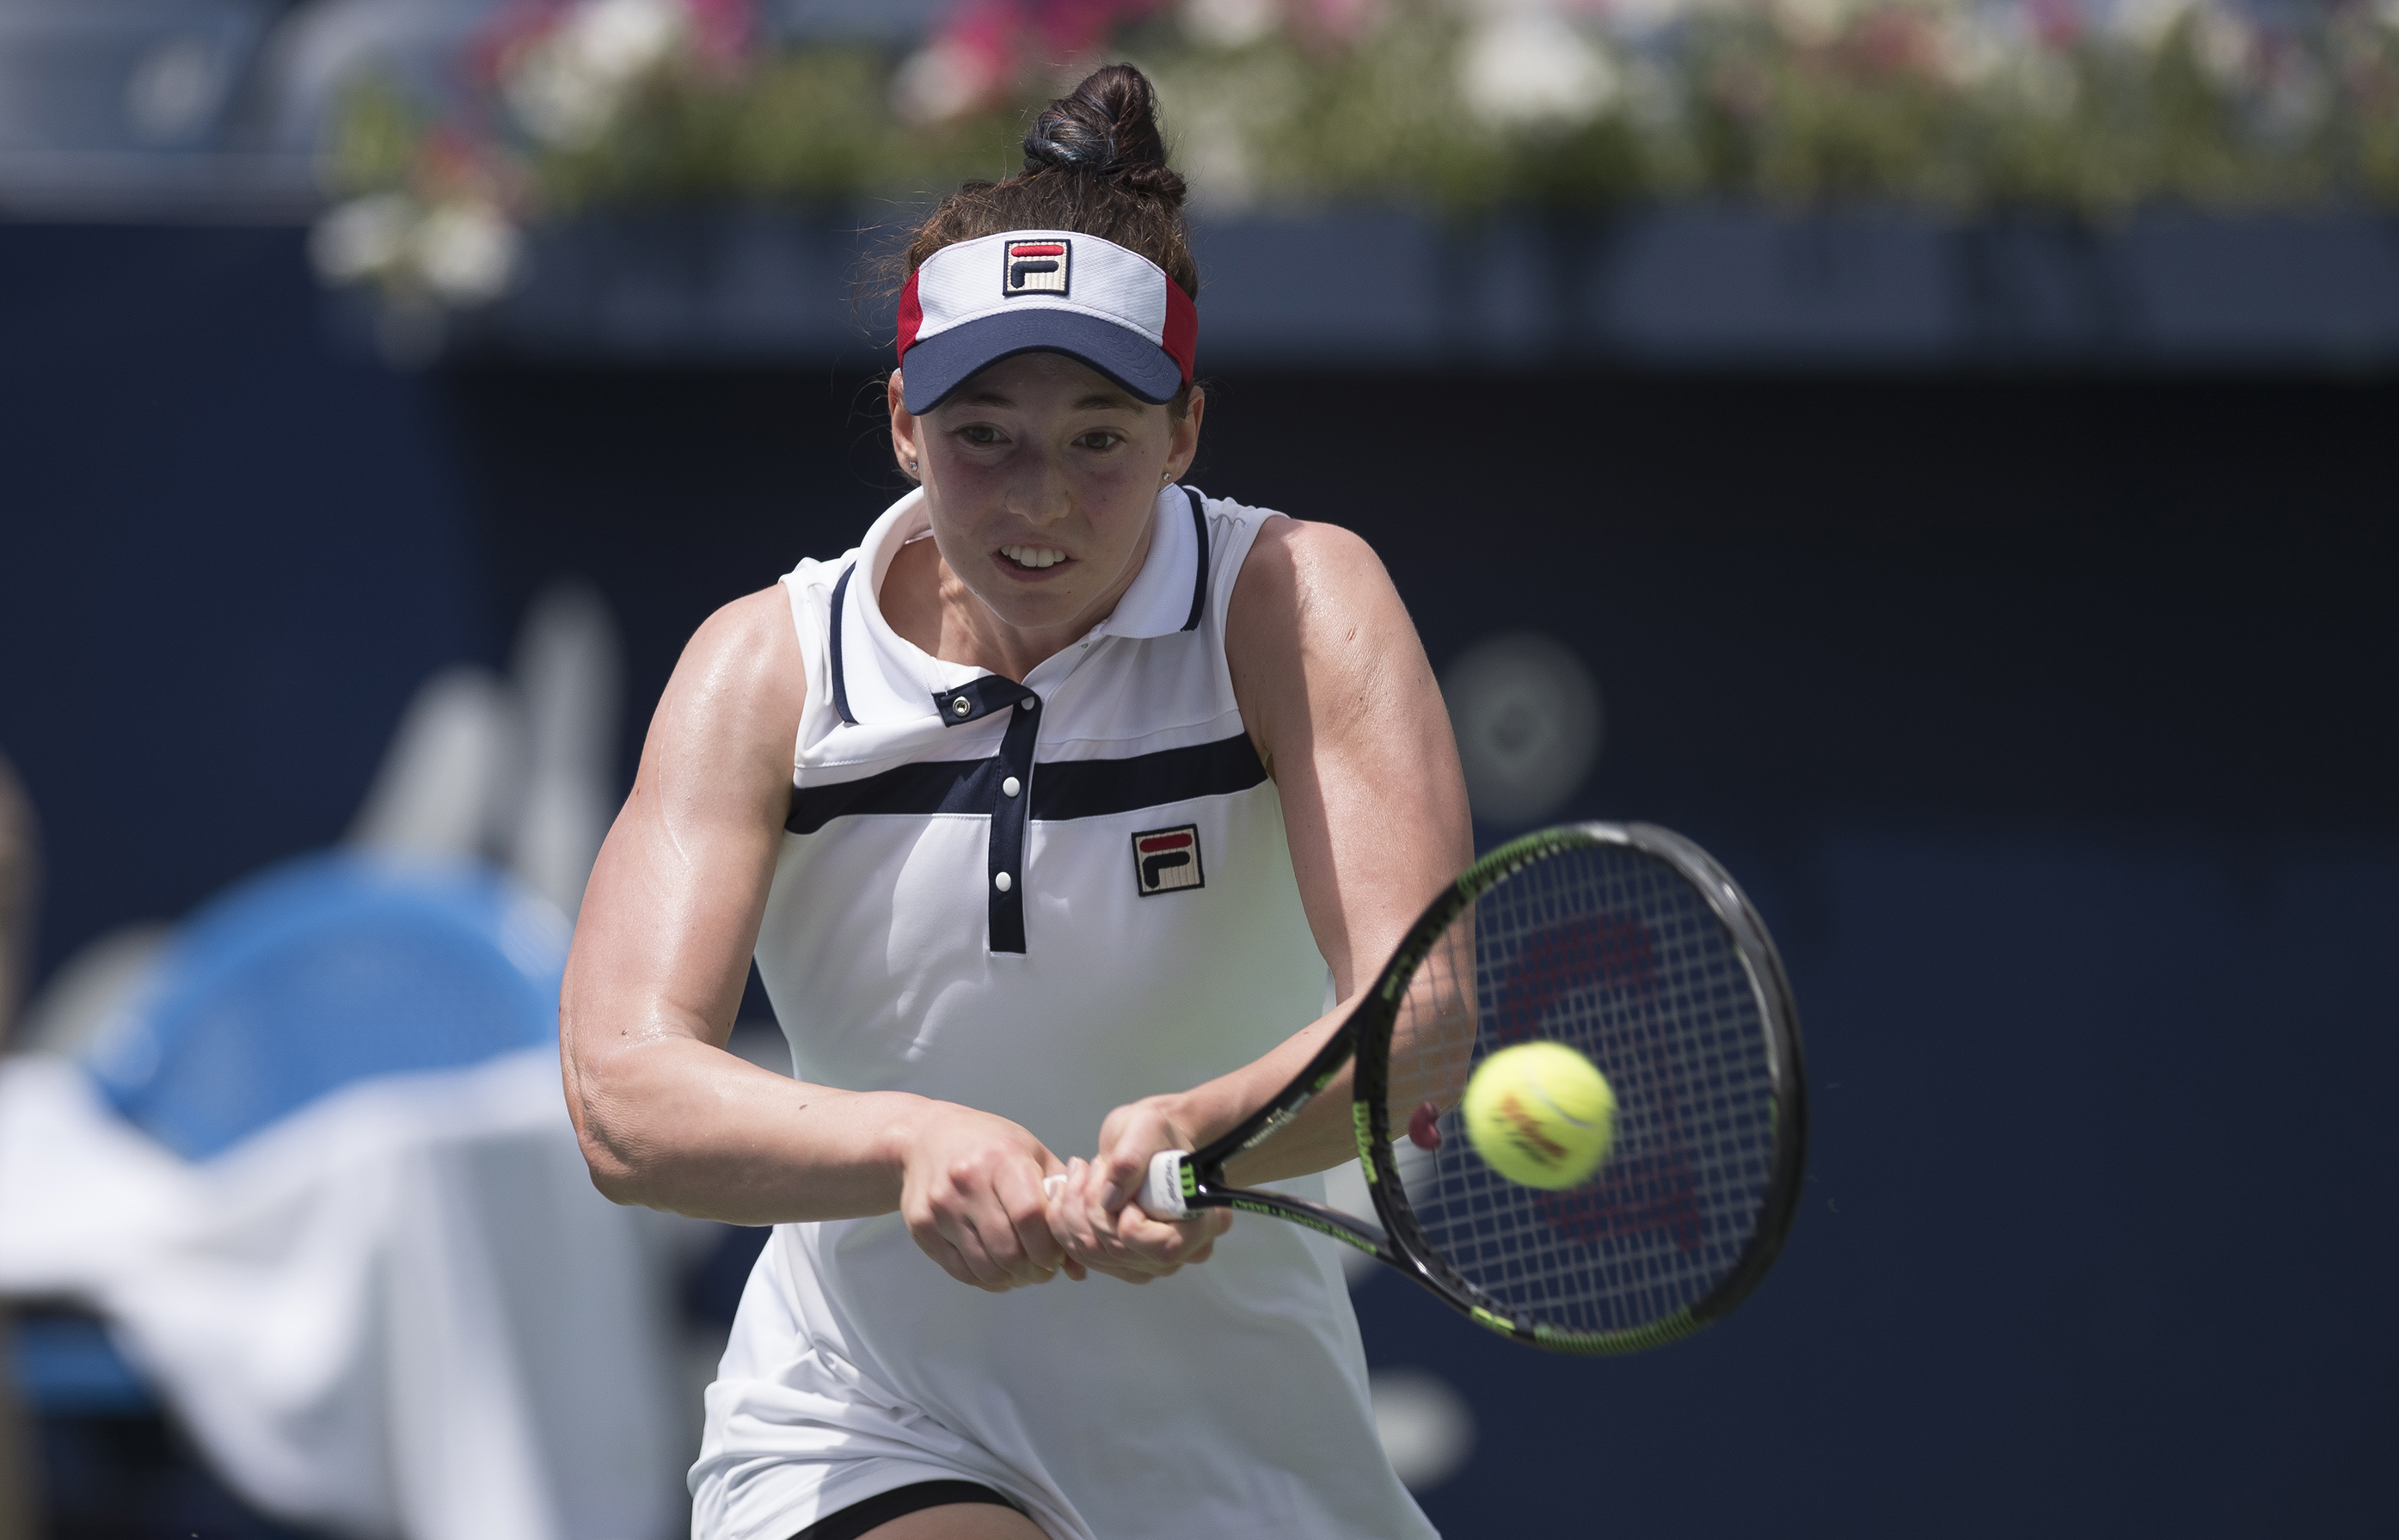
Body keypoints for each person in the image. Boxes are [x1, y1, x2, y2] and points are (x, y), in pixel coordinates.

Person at [561, 64, 1470, 1540]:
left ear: (1182, 435)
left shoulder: (1294, 604)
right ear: (904, 430)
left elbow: (1417, 1024)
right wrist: (908, 1143)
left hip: (1248, 1461)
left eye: (1098, 438)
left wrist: (1199, 1137)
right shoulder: (766, 666)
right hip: (862, 1417)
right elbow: (623, 1099)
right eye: (984, 433)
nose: (1037, 498)